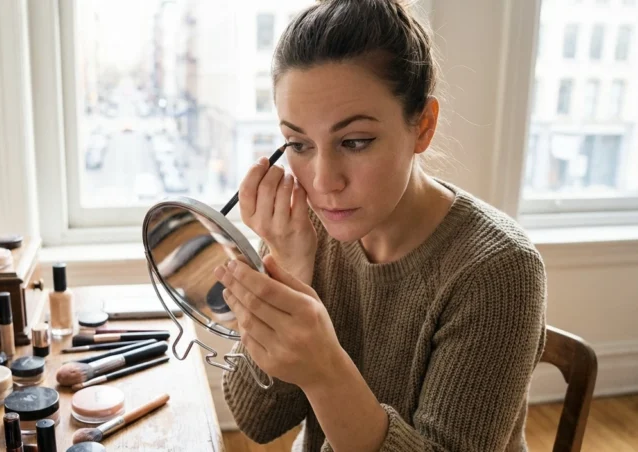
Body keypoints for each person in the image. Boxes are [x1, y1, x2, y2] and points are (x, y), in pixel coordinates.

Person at [213, 1, 547, 451]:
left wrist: (325, 372)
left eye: (355, 142)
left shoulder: (499, 269)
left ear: (423, 126)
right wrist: (287, 266)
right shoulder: (303, 229)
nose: (323, 182)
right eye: (298, 144)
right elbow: (257, 418)